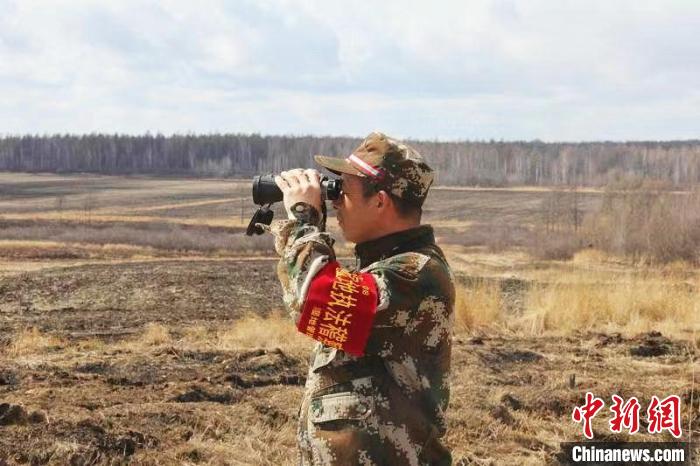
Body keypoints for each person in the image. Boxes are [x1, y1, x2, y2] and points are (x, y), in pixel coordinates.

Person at [267, 131, 454, 465]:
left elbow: (316, 302)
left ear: (380, 202)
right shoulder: (382, 267)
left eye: (344, 193)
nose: (335, 202)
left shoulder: (414, 274)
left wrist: (303, 221)